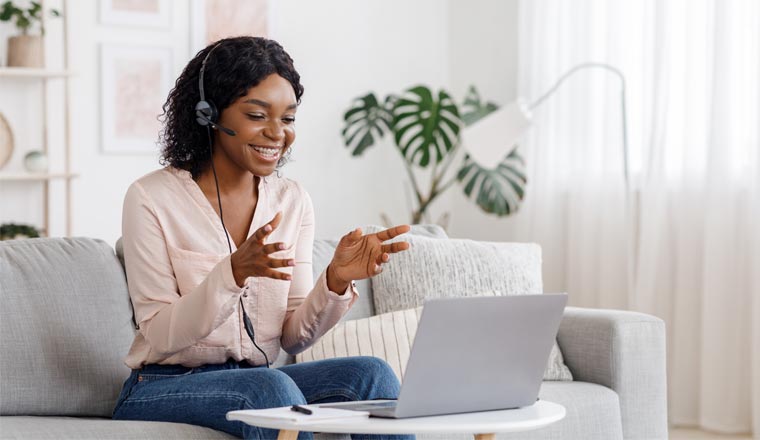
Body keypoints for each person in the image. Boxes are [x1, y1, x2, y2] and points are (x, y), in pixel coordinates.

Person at [112, 36, 414, 440]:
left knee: (371, 375)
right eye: (258, 115)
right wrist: (231, 274)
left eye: (288, 119)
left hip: (256, 380)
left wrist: (336, 281)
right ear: (209, 115)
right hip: (162, 386)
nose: (277, 134)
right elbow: (160, 334)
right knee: (271, 388)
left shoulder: (292, 201)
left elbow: (292, 336)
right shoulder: (151, 198)